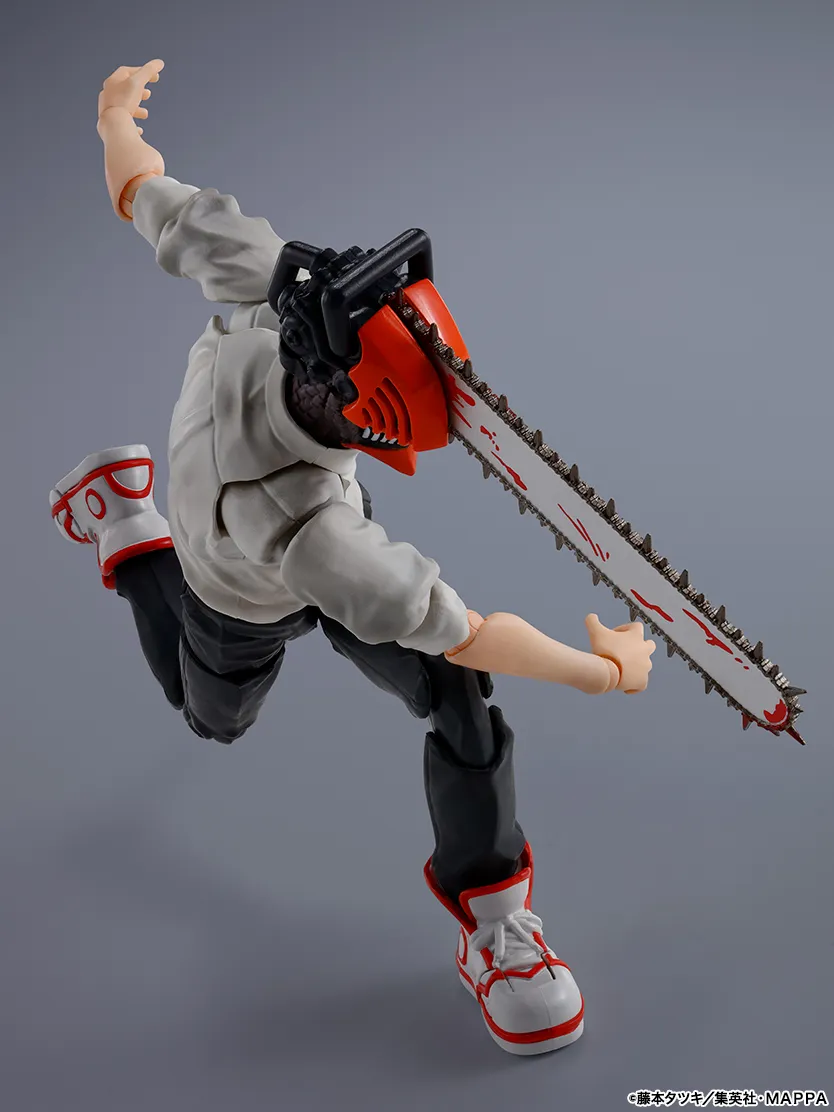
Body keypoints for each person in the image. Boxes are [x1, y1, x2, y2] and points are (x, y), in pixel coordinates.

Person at [49, 60, 656, 1057]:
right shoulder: (310, 528)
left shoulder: (266, 276)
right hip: (236, 588)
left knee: (458, 705)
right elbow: (471, 633)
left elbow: (145, 193)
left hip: (277, 516)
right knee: (212, 716)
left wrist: (115, 118)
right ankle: (124, 523)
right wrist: (599, 669)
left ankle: (496, 922)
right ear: (366, 421)